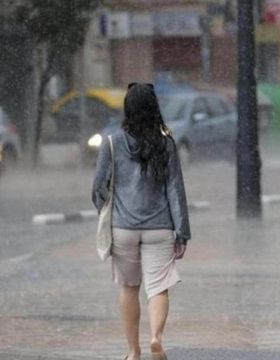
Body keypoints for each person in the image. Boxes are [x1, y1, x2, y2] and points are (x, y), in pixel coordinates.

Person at [92, 83, 190, 360]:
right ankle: (156, 338)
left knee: (129, 288)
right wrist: (182, 231)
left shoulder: (111, 143)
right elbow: (175, 189)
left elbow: (98, 188)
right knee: (158, 287)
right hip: (160, 227)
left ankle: (133, 352)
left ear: (127, 108)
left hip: (124, 228)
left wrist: (109, 211)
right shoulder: (166, 143)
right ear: (154, 108)